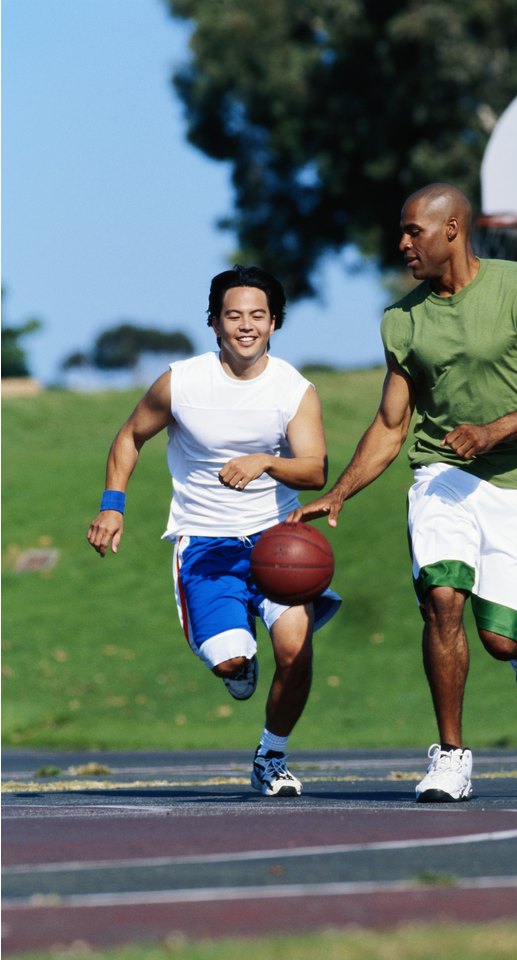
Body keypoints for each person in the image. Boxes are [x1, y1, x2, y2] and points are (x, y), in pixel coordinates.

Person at [289, 183, 517, 803]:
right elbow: (393, 424)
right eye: (400, 233)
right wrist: (341, 491)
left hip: (515, 481)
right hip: (439, 475)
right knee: (441, 599)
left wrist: (495, 430)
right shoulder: (402, 320)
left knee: (499, 637)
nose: (402, 244)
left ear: (451, 230)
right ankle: (451, 756)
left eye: (412, 232)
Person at [87, 265, 340, 798]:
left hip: (279, 543)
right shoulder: (181, 382)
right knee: (232, 657)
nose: (245, 326)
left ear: (274, 323)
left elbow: (314, 470)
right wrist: (114, 506)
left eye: (258, 316)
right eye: (233, 316)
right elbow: (130, 437)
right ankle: (235, 664)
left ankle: (272, 757)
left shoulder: (294, 389)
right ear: (214, 322)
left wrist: (265, 462)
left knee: (295, 652)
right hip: (204, 544)